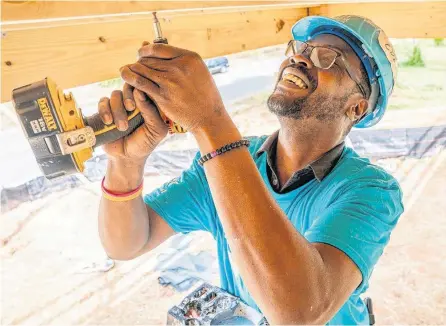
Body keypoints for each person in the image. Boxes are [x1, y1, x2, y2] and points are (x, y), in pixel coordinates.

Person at [97, 15, 403, 325]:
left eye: (328, 58)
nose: (298, 57)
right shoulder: (222, 168)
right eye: (300, 48)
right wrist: (125, 163)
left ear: (357, 107)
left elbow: (300, 311)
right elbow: (127, 243)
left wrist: (210, 121)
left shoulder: (372, 191)